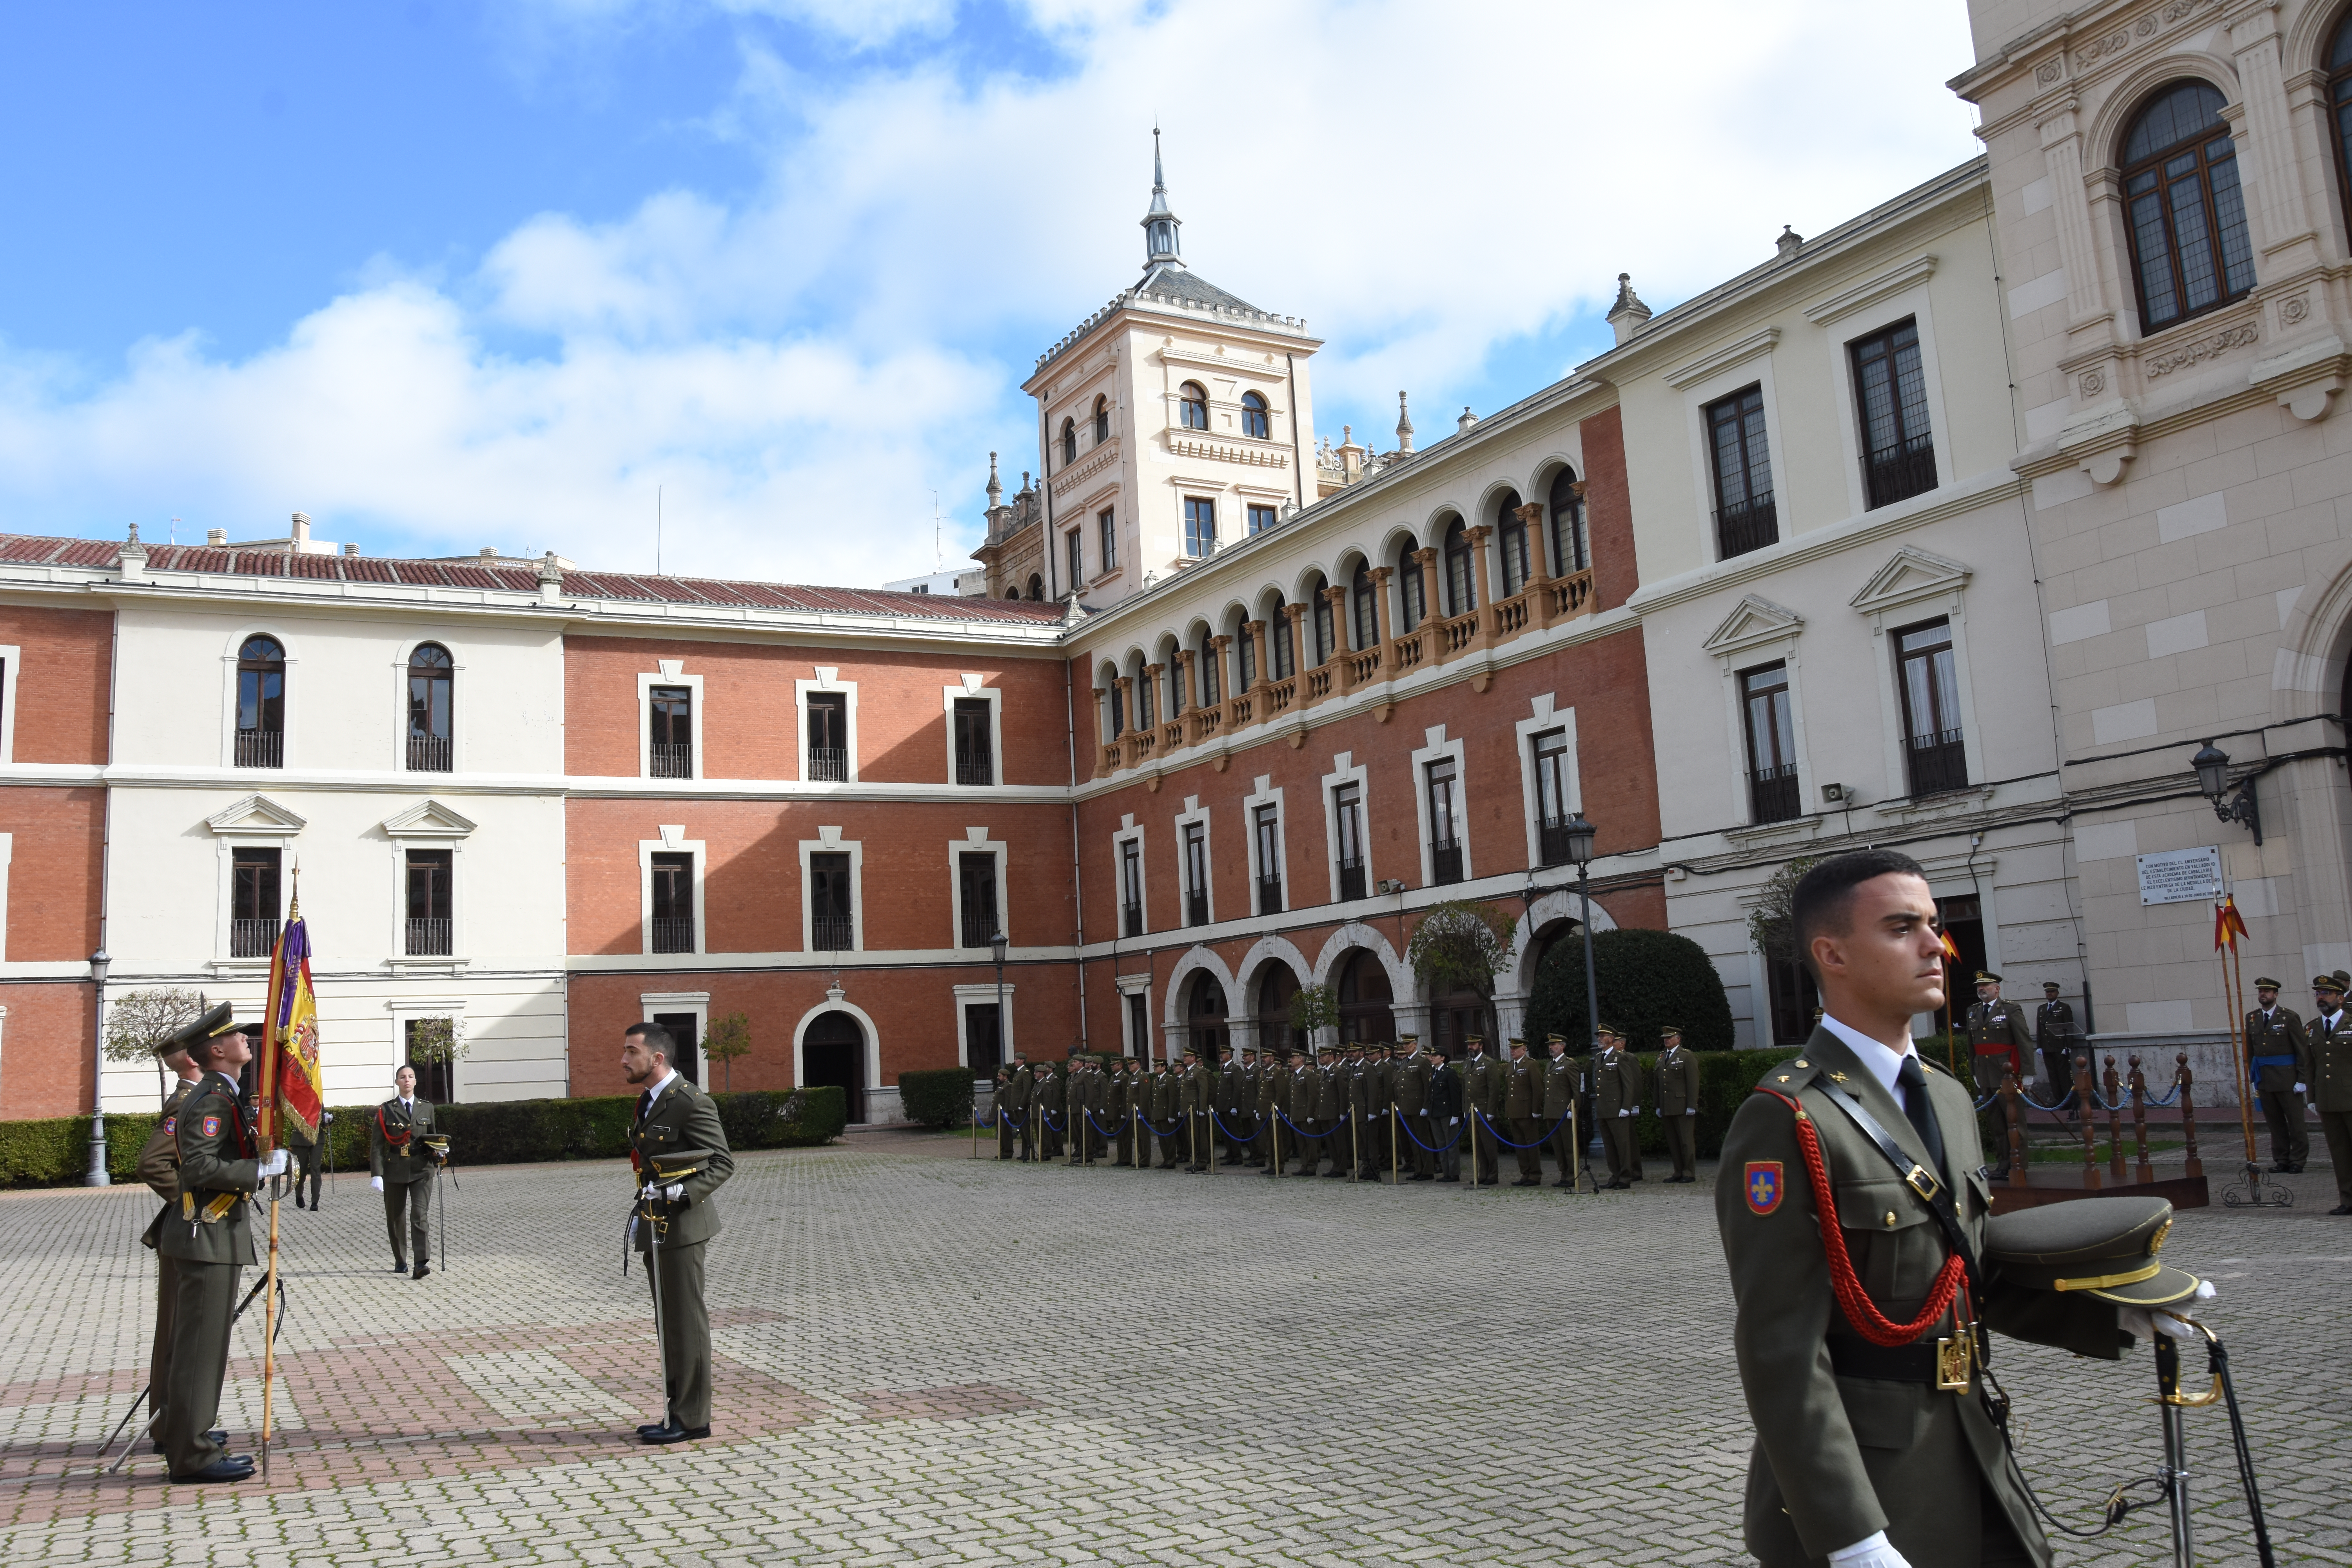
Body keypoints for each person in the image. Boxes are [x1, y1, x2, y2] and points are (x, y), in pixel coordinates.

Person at [1715, 848, 2176, 1568]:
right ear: (1831, 953)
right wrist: (1852, 1537)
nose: (1938, 946)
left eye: (1932, 924)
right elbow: (1781, 1352)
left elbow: (1962, 1274)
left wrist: (2114, 1312)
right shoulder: (1789, 1117)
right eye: (1903, 928)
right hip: (1874, 1475)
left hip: (1969, 1440)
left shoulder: (1948, 1096)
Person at [158, 1005, 286, 1482]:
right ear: (217, 1050)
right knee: (199, 1350)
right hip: (206, 1235)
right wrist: (258, 1171)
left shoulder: (222, 1093)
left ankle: (191, 1433)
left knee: (203, 1347)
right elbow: (198, 1168)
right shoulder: (211, 1099)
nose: (244, 1039)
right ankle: (191, 1456)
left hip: (213, 1235)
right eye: (235, 1035)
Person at [622, 1021, 735, 1444]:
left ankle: (693, 1419)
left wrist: (680, 1191)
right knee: (668, 1321)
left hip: (684, 1225)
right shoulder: (650, 1101)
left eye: (631, 1051)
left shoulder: (690, 1102)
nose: (623, 1059)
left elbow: (722, 1163)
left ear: (657, 1058)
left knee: (686, 1323)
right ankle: (677, 1410)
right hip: (657, 1223)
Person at [136, 1028, 211, 1457]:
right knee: (175, 1329)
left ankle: (177, 1423)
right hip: (184, 1228)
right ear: (190, 1059)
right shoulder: (184, 1101)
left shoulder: (198, 1095)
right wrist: (193, 1202)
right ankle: (167, 1426)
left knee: (185, 1329)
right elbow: (153, 1163)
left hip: (189, 1227)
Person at [368, 1064, 441, 1279]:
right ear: (397, 1082)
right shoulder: (386, 1110)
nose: (407, 1080)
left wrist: (440, 1154)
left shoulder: (427, 1108)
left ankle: (421, 1262)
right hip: (395, 1169)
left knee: (419, 1215)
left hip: (422, 1169)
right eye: (402, 1077)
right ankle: (401, 1260)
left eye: (411, 1077)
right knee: (396, 1217)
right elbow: (377, 1145)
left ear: (416, 1082)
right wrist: (377, 1173)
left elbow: (433, 1138)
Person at [1964, 973, 2033, 1177]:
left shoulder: (2011, 1009)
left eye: (1985, 986)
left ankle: (2019, 1163)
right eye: (1979, 986)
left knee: (2014, 1121)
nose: (1981, 989)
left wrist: (2028, 1073)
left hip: (2007, 1074)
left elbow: (2024, 1041)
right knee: (1996, 1122)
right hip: (1985, 1073)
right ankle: (2003, 1163)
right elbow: (1972, 1045)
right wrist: (1973, 1070)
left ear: (1997, 989)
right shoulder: (1973, 1012)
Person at [2245, 976, 2311, 1174]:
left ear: (2276, 995)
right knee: (2275, 1124)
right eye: (2260, 991)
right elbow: (2251, 1051)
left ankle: (2298, 1159)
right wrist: (2253, 1077)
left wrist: (2302, 1080)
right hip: (2265, 1079)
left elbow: (2302, 1051)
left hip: (2288, 1079)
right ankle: (2281, 1159)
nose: (2263, 994)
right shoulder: (2252, 1018)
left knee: (2296, 1123)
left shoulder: (2288, 1017)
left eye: (2267, 991)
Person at [2310, 975, 2352, 1216]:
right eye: (2318, 993)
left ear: (2340, 997)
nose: (2321, 998)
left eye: (2326, 993)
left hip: (2351, 1099)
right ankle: (2347, 1199)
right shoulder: (2312, 1028)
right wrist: (2312, 1097)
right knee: (2340, 1154)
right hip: (2327, 1100)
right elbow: (2310, 1065)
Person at [1592, 1026, 1643, 1189]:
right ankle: (1615, 1175)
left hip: (1617, 1109)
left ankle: (1625, 1177)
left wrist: (1626, 1107)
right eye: (1599, 1036)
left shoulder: (1620, 1058)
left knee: (1622, 1145)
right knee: (1609, 1145)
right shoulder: (1599, 1057)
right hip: (1604, 1109)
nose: (1600, 1038)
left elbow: (1628, 1084)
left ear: (1612, 1038)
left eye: (1603, 1036)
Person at [1656, 1026, 1701, 1184]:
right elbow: (1658, 1084)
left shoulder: (1686, 1056)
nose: (1666, 1040)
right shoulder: (1662, 1057)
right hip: (1667, 1106)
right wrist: (1658, 1105)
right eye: (1665, 1038)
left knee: (1686, 1141)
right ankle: (1678, 1171)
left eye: (1670, 1037)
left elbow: (1693, 1082)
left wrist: (1691, 1104)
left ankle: (1689, 1172)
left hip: (1682, 1105)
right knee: (1673, 1142)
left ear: (1678, 1039)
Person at [1461, 1036, 1502, 1185]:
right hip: (1471, 1112)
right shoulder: (1466, 1064)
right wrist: (1465, 1109)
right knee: (1477, 1146)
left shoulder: (1489, 1064)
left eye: (1473, 1044)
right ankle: (1482, 1173)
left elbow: (1494, 1089)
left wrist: (1491, 1110)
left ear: (1481, 1046)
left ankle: (1493, 1174)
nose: (1470, 1047)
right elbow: (1465, 1090)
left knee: (1489, 1145)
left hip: (1484, 1112)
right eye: (1469, 1045)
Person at [1392, 1035, 1433, 1181]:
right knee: (1413, 1140)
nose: (1406, 1047)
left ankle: (1428, 1170)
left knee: (1423, 1139)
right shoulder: (1405, 1062)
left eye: (1408, 1044)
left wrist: (1425, 1106)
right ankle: (1419, 1168)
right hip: (1406, 1107)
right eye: (1404, 1044)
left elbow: (1427, 1086)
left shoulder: (1422, 1062)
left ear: (1415, 1045)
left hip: (1418, 1107)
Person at [1541, 1034, 1580, 1188]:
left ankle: (1573, 1175)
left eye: (1554, 1045)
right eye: (1550, 1045)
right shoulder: (1549, 1065)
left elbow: (1576, 1089)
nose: (1551, 1048)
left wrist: (1574, 1108)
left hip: (1565, 1111)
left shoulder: (1569, 1064)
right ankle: (1564, 1174)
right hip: (1552, 1111)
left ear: (1562, 1047)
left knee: (1569, 1146)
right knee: (1558, 1147)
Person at [1504, 1038, 1542, 1186]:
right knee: (1519, 1145)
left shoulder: (1531, 1065)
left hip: (1527, 1112)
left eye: (1516, 1048)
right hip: (1514, 1112)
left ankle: (1535, 1175)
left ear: (1524, 1049)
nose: (1512, 1051)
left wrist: (1535, 1110)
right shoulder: (1510, 1066)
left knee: (1531, 1144)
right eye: (1511, 1048)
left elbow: (1537, 1089)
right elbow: (1509, 1091)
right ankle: (1525, 1173)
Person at [2031, 982, 2076, 1103]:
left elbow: (2069, 1027)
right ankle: (2058, 1100)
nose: (2049, 994)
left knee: (2064, 1076)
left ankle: (2068, 1101)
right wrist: (2039, 1046)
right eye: (2047, 992)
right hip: (2047, 1047)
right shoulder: (2042, 1009)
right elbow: (2040, 1029)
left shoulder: (2064, 1008)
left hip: (2060, 1047)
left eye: (2052, 991)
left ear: (2057, 993)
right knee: (2052, 1075)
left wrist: (2068, 1046)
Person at [1426, 1044, 1464, 1182]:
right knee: (1441, 1144)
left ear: (1443, 1058)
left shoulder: (1449, 1073)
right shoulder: (1433, 1072)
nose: (1432, 1058)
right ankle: (1446, 1172)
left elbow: (1455, 1095)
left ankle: (1454, 1173)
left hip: (1447, 1113)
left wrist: (1455, 1115)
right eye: (1432, 1056)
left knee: (1451, 1144)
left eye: (1435, 1056)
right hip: (1435, 1113)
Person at [1003, 1058, 1035, 1161]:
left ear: (1022, 1061)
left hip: (1022, 1106)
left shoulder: (1025, 1073)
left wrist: (1022, 1103)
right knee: (1022, 1130)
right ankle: (1024, 1152)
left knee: (1026, 1130)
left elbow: (1026, 1090)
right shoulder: (1018, 1073)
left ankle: (1030, 1152)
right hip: (1016, 1105)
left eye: (1017, 1059)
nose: (1015, 1061)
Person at [993, 1066, 1021, 1160]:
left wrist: (1006, 1112)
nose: (998, 1077)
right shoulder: (1001, 1086)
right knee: (1001, 1133)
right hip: (999, 1114)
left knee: (1006, 1134)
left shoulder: (1008, 1086)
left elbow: (1008, 1099)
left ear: (1005, 1077)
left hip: (1005, 1114)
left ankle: (1008, 1152)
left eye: (1000, 1076)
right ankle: (1003, 1151)